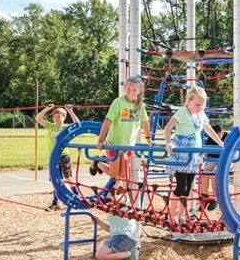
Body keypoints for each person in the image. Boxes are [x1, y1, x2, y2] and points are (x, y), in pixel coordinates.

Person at [164, 86, 224, 224]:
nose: (200, 107)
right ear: (189, 101)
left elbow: (208, 129)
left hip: (194, 154)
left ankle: (181, 216)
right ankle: (171, 215)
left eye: (202, 105)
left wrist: (220, 143)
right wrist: (168, 143)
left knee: (189, 187)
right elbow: (168, 127)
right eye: (197, 104)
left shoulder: (201, 115)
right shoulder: (183, 112)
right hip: (182, 154)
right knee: (181, 186)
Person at [92, 76, 154, 179]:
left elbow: (145, 123)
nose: (131, 92)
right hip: (114, 143)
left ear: (139, 91)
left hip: (129, 145)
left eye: (134, 90)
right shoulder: (118, 102)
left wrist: (148, 139)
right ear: (125, 88)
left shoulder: (140, 105)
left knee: (123, 175)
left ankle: (103, 161)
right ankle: (97, 162)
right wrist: (100, 141)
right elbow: (107, 122)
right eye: (128, 89)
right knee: (113, 173)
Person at [35, 104, 80, 211]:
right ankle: (55, 202)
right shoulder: (50, 126)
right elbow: (37, 118)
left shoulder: (66, 127)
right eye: (56, 116)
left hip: (64, 155)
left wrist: (70, 111)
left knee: (68, 178)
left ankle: (77, 197)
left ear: (64, 117)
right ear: (53, 118)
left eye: (60, 116)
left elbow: (78, 124)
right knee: (55, 180)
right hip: (53, 156)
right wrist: (47, 108)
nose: (58, 118)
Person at [201, 124, 226, 210]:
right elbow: (206, 152)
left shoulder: (227, 136)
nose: (216, 137)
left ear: (221, 132)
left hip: (224, 159)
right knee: (204, 174)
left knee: (213, 176)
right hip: (214, 158)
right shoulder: (211, 137)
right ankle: (205, 196)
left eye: (218, 135)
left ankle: (214, 198)